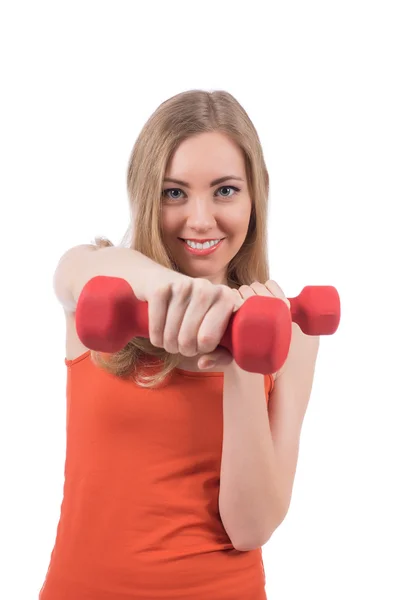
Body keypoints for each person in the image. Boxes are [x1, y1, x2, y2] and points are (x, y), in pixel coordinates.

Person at [39, 89, 320, 600]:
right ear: (146, 196)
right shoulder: (99, 282)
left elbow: (250, 528)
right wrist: (176, 294)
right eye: (174, 193)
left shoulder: (290, 331)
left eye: (225, 191)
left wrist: (242, 357)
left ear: (255, 197)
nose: (200, 219)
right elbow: (77, 274)